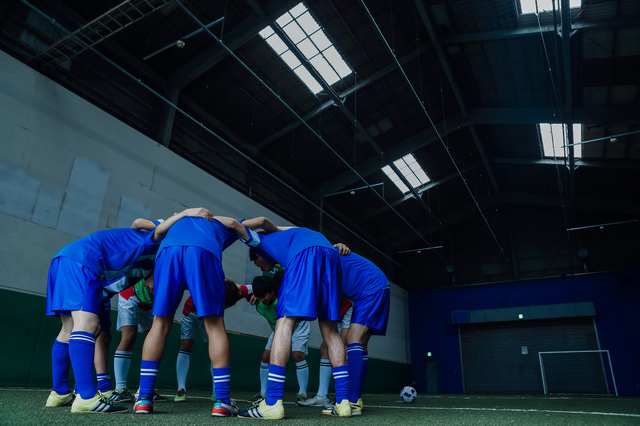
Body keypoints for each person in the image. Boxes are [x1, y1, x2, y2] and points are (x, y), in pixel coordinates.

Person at [45, 208, 211, 414]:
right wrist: (187, 213)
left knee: (68, 330)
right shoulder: (152, 241)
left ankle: (59, 393)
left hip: (67, 259)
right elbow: (140, 222)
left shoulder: (146, 258)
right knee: (86, 325)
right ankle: (86, 397)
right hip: (84, 261)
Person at [233, 217, 351, 419]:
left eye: (257, 262)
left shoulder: (263, 242)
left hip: (305, 253)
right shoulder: (288, 238)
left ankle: (271, 402)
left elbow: (249, 223)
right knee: (331, 331)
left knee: (284, 323)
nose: (261, 267)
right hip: (329, 256)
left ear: (258, 255)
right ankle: (343, 402)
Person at [134, 215, 248, 417]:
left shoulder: (177, 221)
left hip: (168, 251)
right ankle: (222, 401)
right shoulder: (215, 222)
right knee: (214, 325)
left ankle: (143, 398)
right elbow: (238, 224)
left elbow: (139, 224)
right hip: (203, 250)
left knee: (159, 324)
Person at [322, 251, 391, 416]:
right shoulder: (325, 259)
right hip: (374, 288)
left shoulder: (324, 256)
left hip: (371, 288)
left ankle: (351, 401)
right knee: (361, 343)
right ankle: (356, 399)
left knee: (353, 338)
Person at [174, 279, 250, 402]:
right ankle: (181, 389)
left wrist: (253, 295)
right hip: (191, 314)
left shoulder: (238, 291)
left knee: (215, 349)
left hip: (211, 315)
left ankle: (216, 391)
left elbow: (256, 288)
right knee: (186, 346)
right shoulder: (206, 291)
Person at [247, 270, 310, 406]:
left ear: (273, 291)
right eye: (260, 297)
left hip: (299, 325)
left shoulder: (282, 298)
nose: (263, 299)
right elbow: (238, 288)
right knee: (265, 357)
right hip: (279, 328)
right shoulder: (257, 301)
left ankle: (302, 394)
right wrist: (251, 293)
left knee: (297, 355)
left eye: (265, 296)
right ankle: (263, 392)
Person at [109, 273, 167, 403]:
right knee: (129, 336)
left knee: (155, 339)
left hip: (151, 303)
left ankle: (145, 389)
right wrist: (151, 277)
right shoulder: (157, 258)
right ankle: (120, 388)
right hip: (130, 294)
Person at [298, 298, 352, 408]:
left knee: (344, 345)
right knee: (325, 347)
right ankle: (322, 396)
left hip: (347, 307)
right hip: (336, 310)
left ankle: (344, 397)